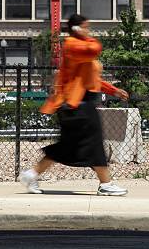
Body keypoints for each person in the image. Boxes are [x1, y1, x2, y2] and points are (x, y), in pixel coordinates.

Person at [19, 14, 130, 196]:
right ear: (76, 28)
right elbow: (95, 49)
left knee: (68, 146)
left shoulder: (79, 47)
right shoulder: (73, 44)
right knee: (94, 142)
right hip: (77, 104)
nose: (89, 30)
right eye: (86, 27)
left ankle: (31, 175)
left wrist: (112, 90)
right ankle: (106, 184)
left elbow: (90, 79)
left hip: (79, 103)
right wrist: (84, 36)